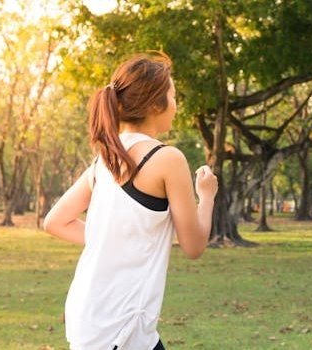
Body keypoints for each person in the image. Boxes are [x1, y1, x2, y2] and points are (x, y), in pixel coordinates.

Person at [43, 52, 218, 350]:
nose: (176, 106)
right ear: (155, 104)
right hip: (120, 324)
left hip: (90, 315)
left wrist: (112, 240)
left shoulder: (105, 160)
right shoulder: (168, 159)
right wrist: (207, 196)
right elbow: (194, 246)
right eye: (173, 97)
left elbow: (55, 222)